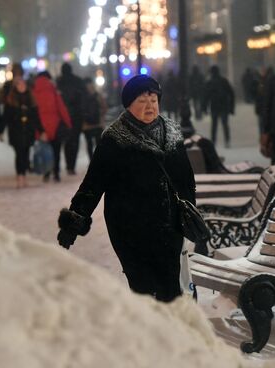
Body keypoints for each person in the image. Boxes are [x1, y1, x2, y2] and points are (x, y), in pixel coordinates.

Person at [57, 75, 196, 302]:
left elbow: (186, 179)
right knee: (143, 289)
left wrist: (189, 212)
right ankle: (146, 332)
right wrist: (74, 222)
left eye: (153, 101)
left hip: (169, 227)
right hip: (130, 229)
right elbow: (93, 184)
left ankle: (167, 334)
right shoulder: (114, 139)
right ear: (129, 105)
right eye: (142, 102)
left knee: (170, 289)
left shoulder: (171, 133)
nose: (149, 106)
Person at [0, 78, 43, 188]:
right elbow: (5, 117)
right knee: (19, 154)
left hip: (28, 131)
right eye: (19, 85)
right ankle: (20, 176)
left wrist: (41, 130)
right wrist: (0, 130)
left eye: (23, 84)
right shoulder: (11, 101)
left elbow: (36, 117)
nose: (21, 86)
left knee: (26, 153)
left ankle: (24, 175)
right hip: (16, 131)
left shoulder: (31, 99)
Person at [32, 71, 72, 182]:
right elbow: (61, 107)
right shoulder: (52, 89)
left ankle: (46, 172)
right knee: (56, 150)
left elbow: (33, 109)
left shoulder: (34, 90)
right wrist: (68, 122)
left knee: (44, 149)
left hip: (41, 125)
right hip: (55, 124)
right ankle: (56, 172)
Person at [56, 63, 87, 175]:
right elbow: (84, 98)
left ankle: (67, 163)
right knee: (75, 140)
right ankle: (71, 166)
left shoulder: (59, 82)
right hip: (76, 115)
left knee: (66, 140)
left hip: (63, 116)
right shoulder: (78, 81)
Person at [202, 65, 235, 148]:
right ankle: (227, 141)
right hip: (224, 106)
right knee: (225, 124)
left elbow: (205, 96)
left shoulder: (209, 82)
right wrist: (231, 107)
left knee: (214, 125)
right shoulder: (224, 81)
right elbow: (231, 93)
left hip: (214, 106)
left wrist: (204, 108)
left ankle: (213, 141)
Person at [82, 77, 107, 159]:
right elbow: (104, 108)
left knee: (89, 144)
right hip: (98, 124)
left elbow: (80, 110)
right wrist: (100, 116)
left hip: (86, 125)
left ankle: (91, 161)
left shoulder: (82, 96)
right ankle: (98, 161)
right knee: (98, 144)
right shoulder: (98, 95)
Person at [255, 66, 275, 135]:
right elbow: (258, 97)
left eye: (263, 71)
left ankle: (265, 139)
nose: (262, 73)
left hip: (266, 108)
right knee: (263, 125)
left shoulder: (263, 82)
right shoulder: (260, 82)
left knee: (264, 125)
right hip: (263, 108)